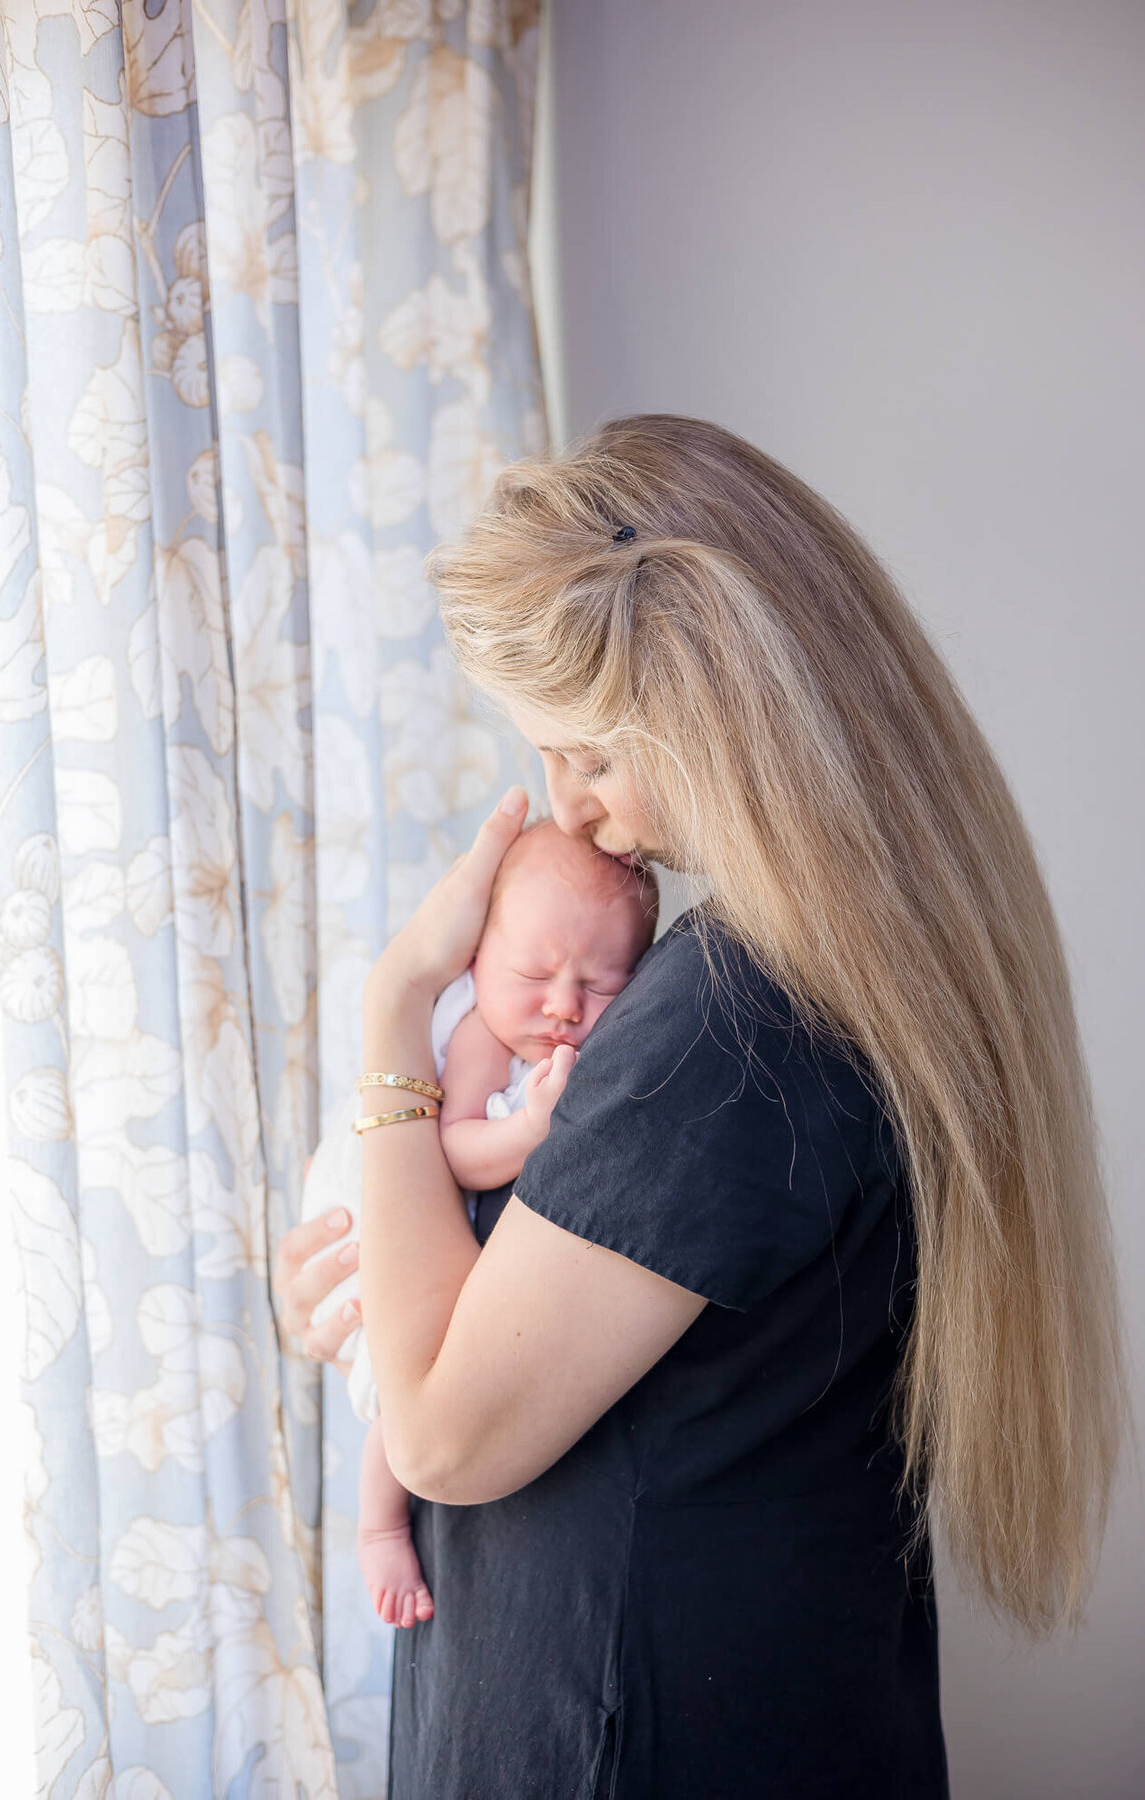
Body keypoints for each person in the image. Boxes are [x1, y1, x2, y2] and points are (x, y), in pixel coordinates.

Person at [275, 414, 1127, 1798]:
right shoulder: (826, 984)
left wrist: (393, 1014)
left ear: (729, 732)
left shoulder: (724, 1028)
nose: (572, 811)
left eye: (593, 759)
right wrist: (370, 1264)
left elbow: (439, 1437)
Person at [298, 819, 657, 1631]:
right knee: (407, 1392)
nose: (563, 1006)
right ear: (476, 958)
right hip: (386, 1221)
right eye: (534, 972)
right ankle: (380, 1525)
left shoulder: (560, 1038)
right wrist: (527, 1133)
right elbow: (455, 1147)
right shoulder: (479, 1038)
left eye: (603, 985)